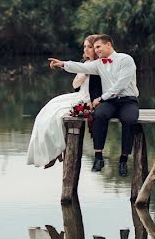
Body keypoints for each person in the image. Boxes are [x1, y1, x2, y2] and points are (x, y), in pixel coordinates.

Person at [48, 34, 139, 177]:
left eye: (98, 47)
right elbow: (80, 66)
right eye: (94, 47)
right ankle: (98, 157)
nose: (96, 50)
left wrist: (101, 98)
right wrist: (63, 64)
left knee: (129, 120)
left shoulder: (126, 60)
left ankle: (123, 160)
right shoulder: (98, 64)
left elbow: (120, 85)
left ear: (108, 45)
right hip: (109, 102)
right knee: (98, 115)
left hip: (127, 100)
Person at [26, 35, 103, 168]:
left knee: (58, 114)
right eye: (84, 46)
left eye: (89, 47)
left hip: (90, 100)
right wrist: (84, 73)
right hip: (79, 95)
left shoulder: (101, 65)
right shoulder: (84, 65)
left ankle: (56, 151)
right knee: (48, 110)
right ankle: (52, 152)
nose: (86, 49)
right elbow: (75, 85)